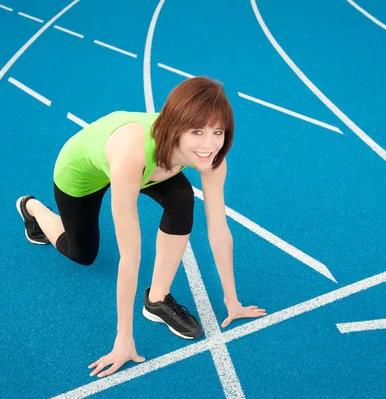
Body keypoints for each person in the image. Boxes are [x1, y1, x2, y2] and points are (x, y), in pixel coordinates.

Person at [16, 76, 266, 378]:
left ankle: (157, 299)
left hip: (153, 162)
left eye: (218, 132)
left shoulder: (212, 156)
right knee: (81, 253)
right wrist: (124, 340)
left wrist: (232, 300)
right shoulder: (131, 155)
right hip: (81, 173)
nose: (209, 144)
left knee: (183, 198)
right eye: (197, 131)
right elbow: (130, 255)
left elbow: (219, 229)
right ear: (176, 129)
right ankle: (32, 208)